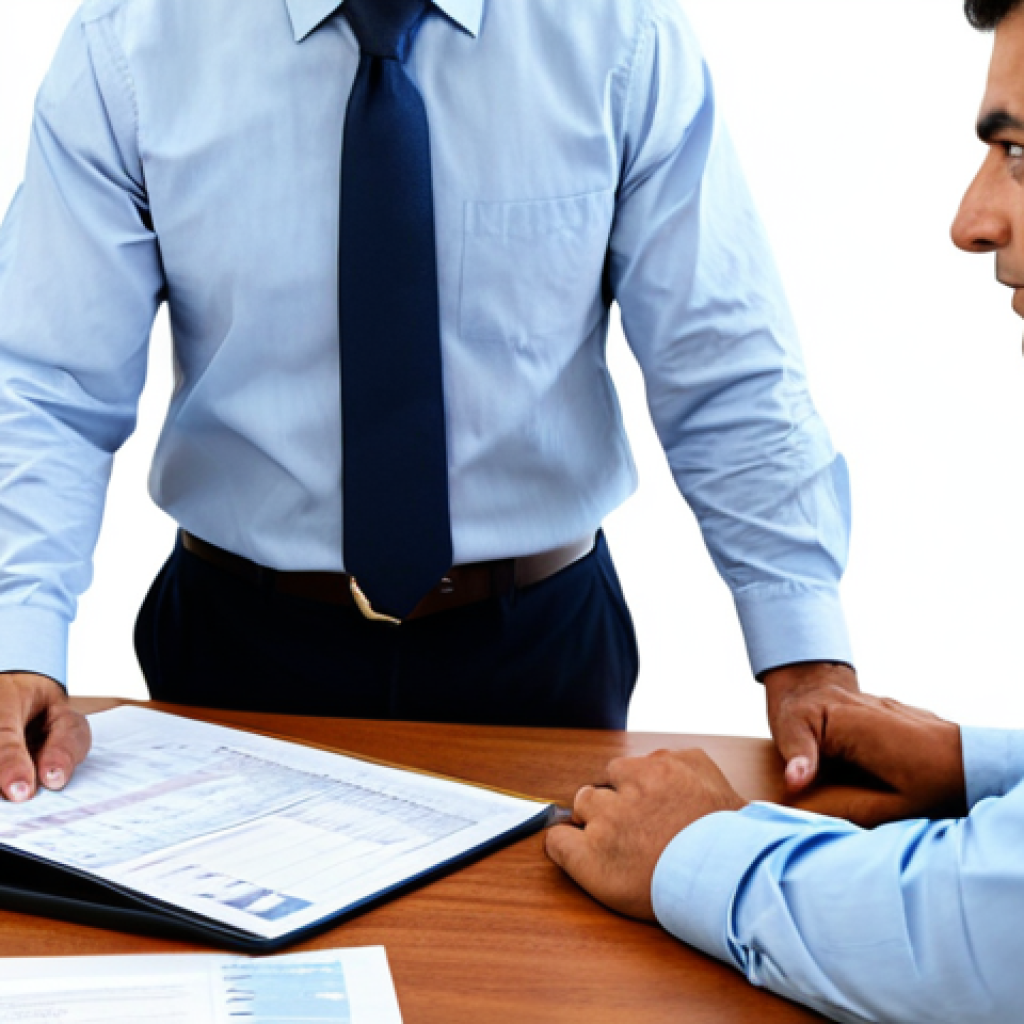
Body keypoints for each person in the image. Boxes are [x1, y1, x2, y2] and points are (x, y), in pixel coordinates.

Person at [0, 0, 856, 802]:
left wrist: (805, 651)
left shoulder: (617, 33)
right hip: (236, 649)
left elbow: (722, 358)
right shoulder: (133, 39)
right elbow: (47, 380)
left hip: (540, 651)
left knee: (534, 962)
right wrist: (17, 646)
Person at [546, 5, 1024, 1020]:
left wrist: (694, 845)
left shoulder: (617, 39)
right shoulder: (126, 38)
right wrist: (983, 766)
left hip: (539, 629)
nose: (970, 220)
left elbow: (984, 934)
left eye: (1019, 153)